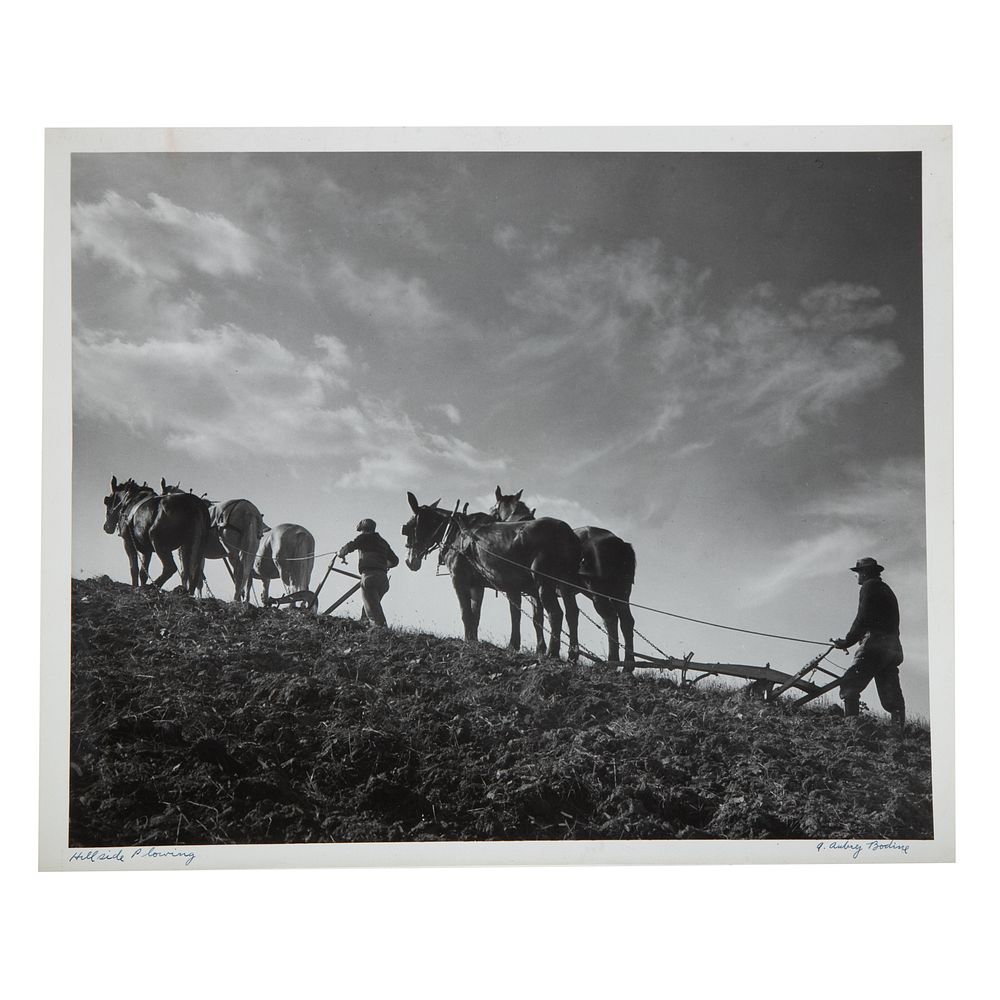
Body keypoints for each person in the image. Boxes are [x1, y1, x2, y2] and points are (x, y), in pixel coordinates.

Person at [832, 557, 905, 731]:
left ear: (864, 573)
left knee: (850, 683)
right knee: (891, 692)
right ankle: (898, 731)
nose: (856, 577)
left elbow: (863, 618)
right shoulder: (887, 590)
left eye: (857, 573)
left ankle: (852, 726)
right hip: (893, 648)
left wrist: (847, 641)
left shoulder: (869, 586)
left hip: (874, 645)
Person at [337, 519, 399, 627]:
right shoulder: (383, 542)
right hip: (383, 580)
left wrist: (341, 553)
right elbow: (395, 561)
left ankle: (383, 633)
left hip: (369, 578)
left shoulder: (364, 537)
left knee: (374, 614)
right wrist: (383, 565)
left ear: (363, 530)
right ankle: (364, 625)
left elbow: (350, 546)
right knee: (370, 606)